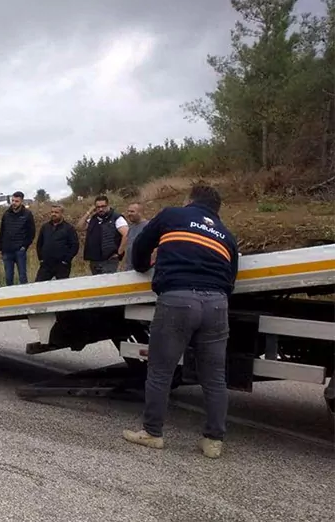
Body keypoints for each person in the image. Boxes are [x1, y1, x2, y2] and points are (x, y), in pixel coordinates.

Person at [122, 184, 239, 459]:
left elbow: (140, 246)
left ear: (190, 200)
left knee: (161, 371)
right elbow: (231, 277)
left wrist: (141, 267)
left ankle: (152, 433)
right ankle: (213, 442)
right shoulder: (226, 235)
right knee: (214, 377)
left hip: (178, 298)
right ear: (216, 209)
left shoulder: (172, 215)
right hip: (217, 304)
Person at [81, 195, 128, 275]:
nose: (100, 209)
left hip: (109, 259)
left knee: (108, 283)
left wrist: (119, 252)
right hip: (94, 260)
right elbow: (79, 227)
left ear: (108, 205)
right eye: (98, 207)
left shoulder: (116, 218)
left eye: (103, 206)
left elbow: (126, 234)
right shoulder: (93, 219)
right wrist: (89, 212)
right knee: (98, 285)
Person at [0, 191, 36, 285]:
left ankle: (25, 296)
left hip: (19, 250)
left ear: (21, 201)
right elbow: (2, 231)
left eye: (17, 201)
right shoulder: (6, 214)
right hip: (7, 250)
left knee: (22, 276)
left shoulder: (27, 214)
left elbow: (31, 233)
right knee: (8, 277)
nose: (14, 203)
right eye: (13, 200)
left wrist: (24, 246)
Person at [35, 204, 79, 281]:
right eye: (52, 212)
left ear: (62, 213)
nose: (53, 214)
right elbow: (39, 243)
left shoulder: (69, 228)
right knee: (38, 285)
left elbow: (74, 245)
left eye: (56, 212)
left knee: (62, 288)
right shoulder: (45, 227)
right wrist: (41, 258)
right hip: (46, 264)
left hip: (62, 265)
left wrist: (66, 260)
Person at [120, 202, 149, 271]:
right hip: (130, 269)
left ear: (140, 213)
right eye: (128, 211)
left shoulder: (148, 227)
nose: (129, 214)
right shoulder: (131, 228)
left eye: (132, 211)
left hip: (144, 270)